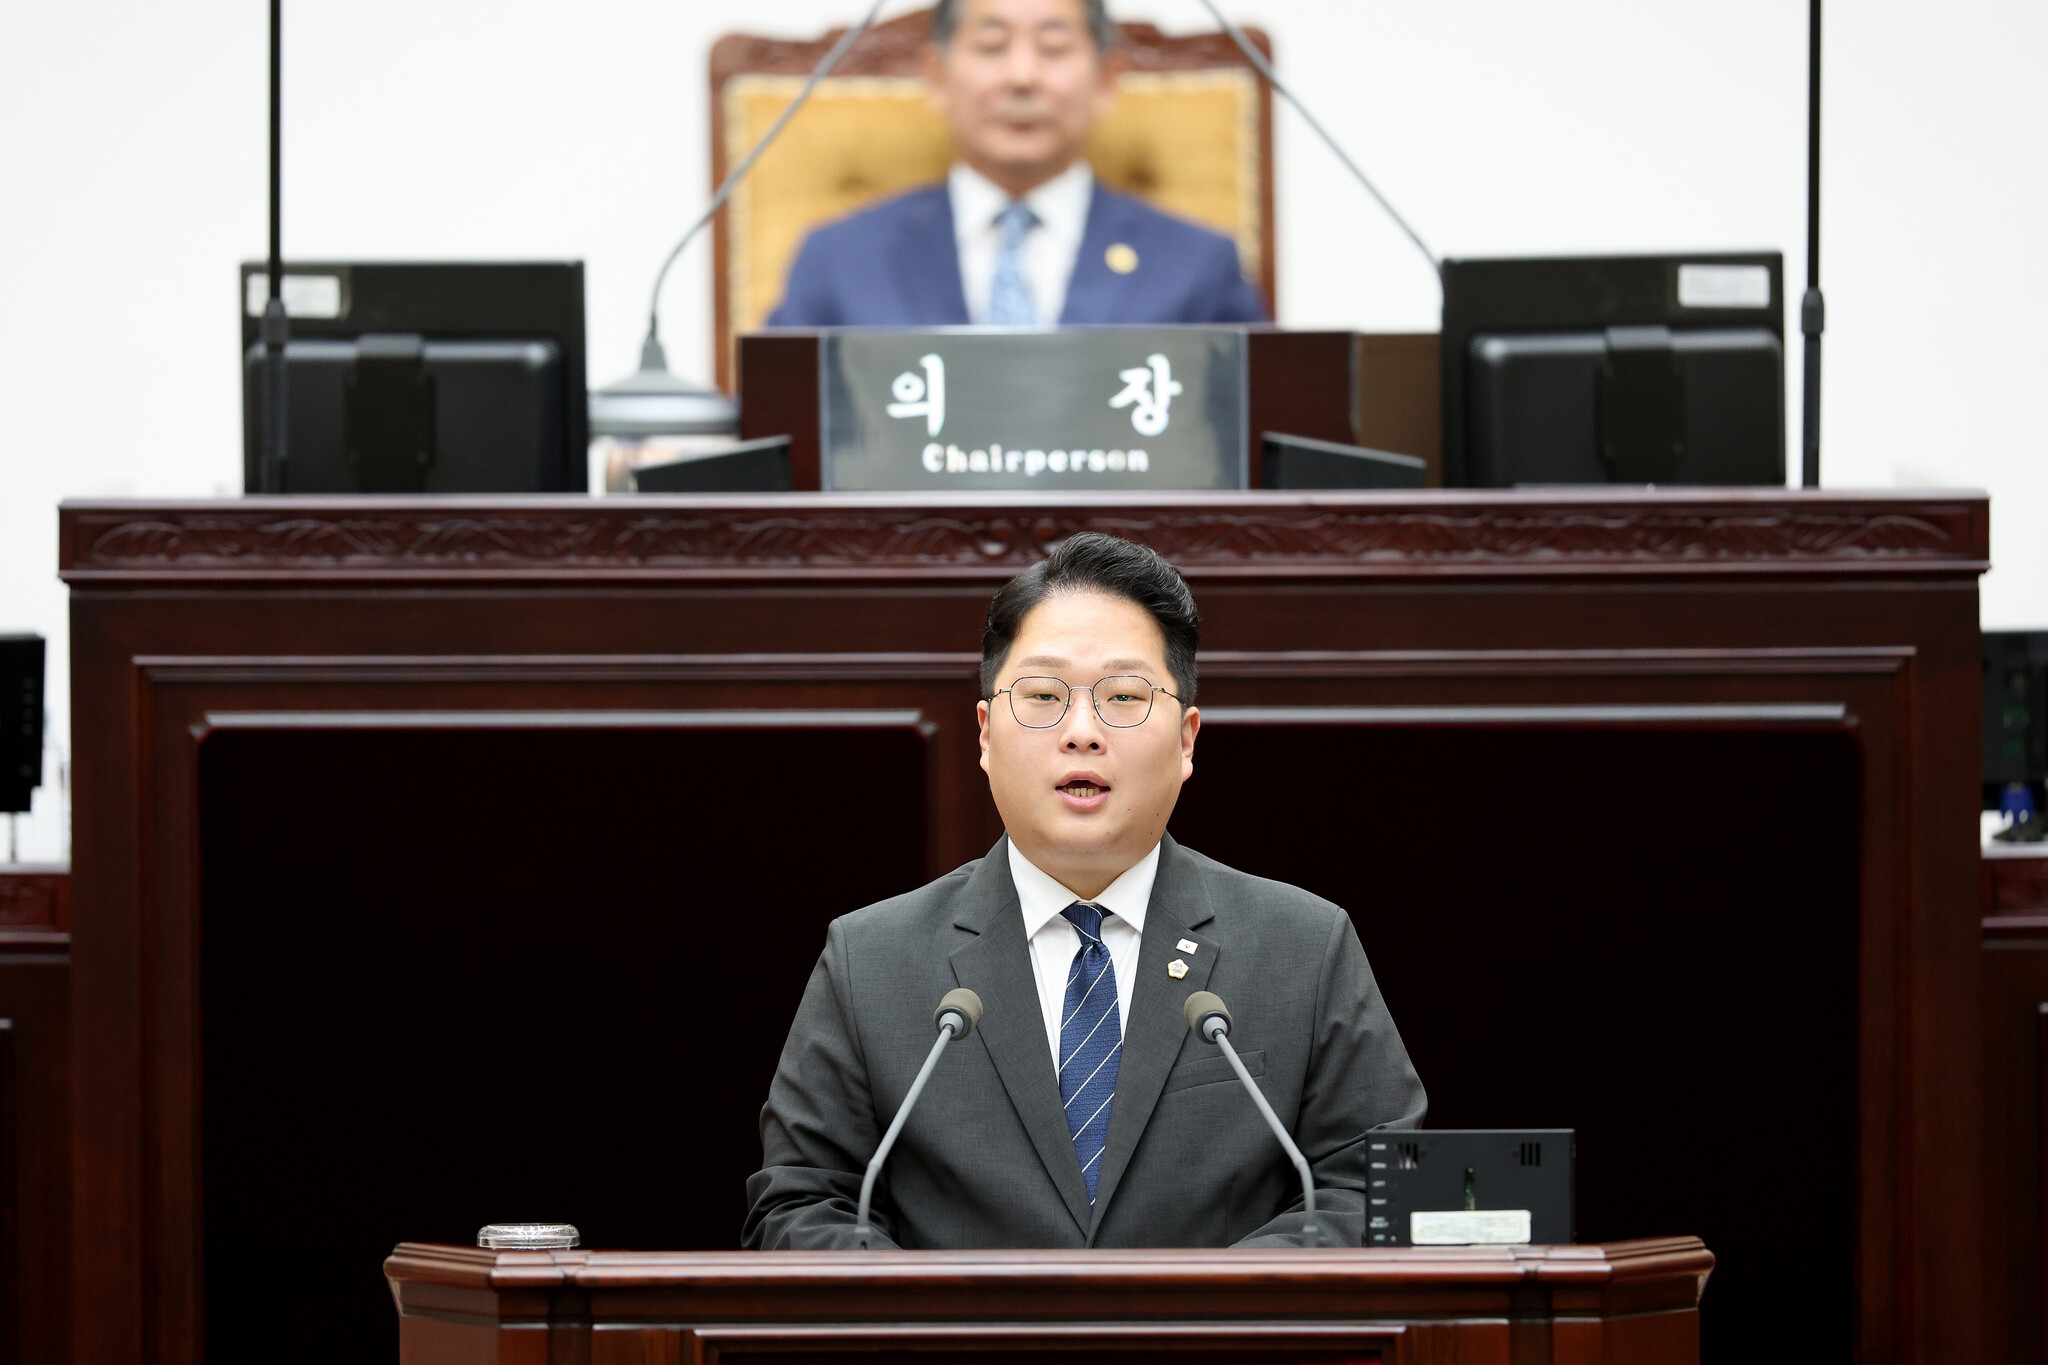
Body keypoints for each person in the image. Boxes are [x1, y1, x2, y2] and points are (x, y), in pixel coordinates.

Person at [744, 534, 1424, 1250]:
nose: (1081, 732)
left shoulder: (1303, 947)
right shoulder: (870, 961)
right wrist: (952, 1321)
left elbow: (1377, 1188)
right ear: (983, 733)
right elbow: (799, 1206)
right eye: (1041, 696)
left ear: (1188, 739)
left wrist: (1204, 1314)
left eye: (1124, 697)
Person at [765, 0, 1271, 328]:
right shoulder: (837, 259)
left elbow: (1261, 447)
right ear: (936, 76)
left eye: (1053, 48)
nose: (1022, 76)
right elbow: (773, 442)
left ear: (1106, 78)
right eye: (991, 46)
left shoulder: (1199, 264)